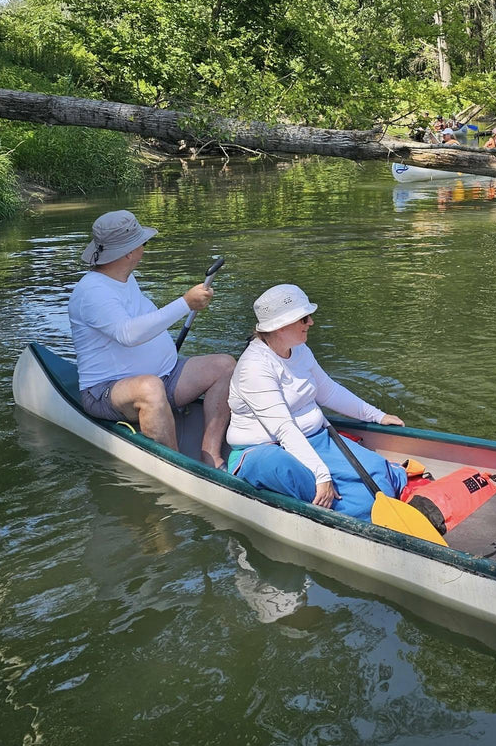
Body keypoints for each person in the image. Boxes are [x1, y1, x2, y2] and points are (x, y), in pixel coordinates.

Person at [68, 210, 235, 468]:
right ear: (128, 251)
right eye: (142, 243)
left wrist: (188, 303)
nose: (144, 248)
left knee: (224, 365)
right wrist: (185, 303)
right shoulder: (91, 291)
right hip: (106, 392)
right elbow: (128, 334)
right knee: (150, 387)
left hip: (167, 375)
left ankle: (209, 454)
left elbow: (147, 321)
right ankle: (180, 468)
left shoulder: (125, 278)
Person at [226, 284, 408, 519]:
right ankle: (351, 517)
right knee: (349, 501)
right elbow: (283, 428)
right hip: (265, 451)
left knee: (379, 475)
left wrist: (377, 415)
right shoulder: (254, 366)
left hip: (315, 439)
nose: (311, 322)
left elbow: (330, 392)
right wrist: (322, 475)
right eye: (304, 318)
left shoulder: (299, 350)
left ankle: (359, 506)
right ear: (280, 327)